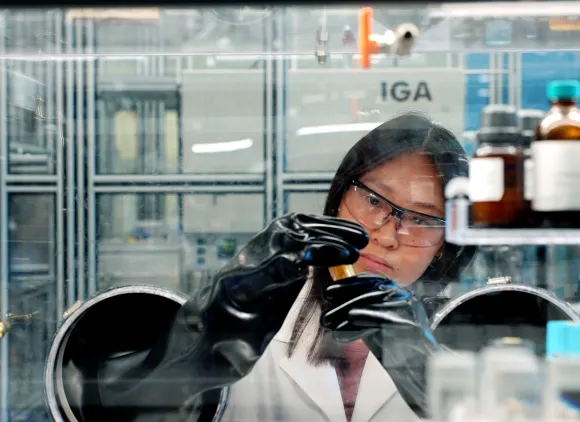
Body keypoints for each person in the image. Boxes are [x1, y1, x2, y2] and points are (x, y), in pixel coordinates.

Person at [48, 112, 475, 422]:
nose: (386, 234)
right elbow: (108, 406)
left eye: (421, 218)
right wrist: (194, 349)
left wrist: (426, 373)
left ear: (444, 243)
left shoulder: (472, 335)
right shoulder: (255, 311)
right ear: (340, 197)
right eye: (374, 200)